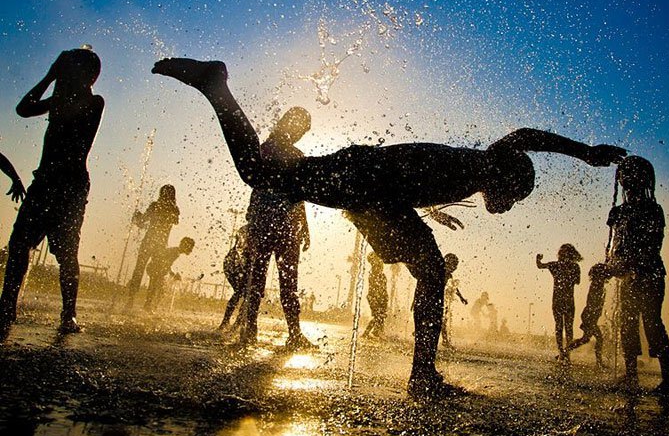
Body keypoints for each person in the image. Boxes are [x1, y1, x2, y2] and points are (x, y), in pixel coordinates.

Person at [151, 57, 625, 396]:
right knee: (260, 173)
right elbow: (527, 136)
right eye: (515, 196)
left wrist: (429, 214)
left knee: (431, 270)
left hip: (377, 190)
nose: (506, 205)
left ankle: (423, 373)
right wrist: (586, 154)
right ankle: (216, 86)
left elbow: (419, 174)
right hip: (365, 181)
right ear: (511, 179)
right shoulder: (491, 161)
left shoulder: (472, 171)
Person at [0, 48, 104, 339]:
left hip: (69, 186)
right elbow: (22, 109)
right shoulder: (60, 99)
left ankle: (68, 312)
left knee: (66, 252)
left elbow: (39, 107)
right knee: (19, 244)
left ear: (87, 75)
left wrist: (55, 75)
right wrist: (49, 75)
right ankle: (7, 305)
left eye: (69, 68)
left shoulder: (93, 101)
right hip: (44, 181)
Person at [237, 107, 314, 350]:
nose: (300, 132)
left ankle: (291, 332)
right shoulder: (267, 149)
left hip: (284, 227)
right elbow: (257, 186)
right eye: (300, 127)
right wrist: (251, 222)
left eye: (303, 130)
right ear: (288, 123)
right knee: (259, 280)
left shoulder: (295, 154)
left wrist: (306, 227)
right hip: (268, 225)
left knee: (285, 284)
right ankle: (252, 329)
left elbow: (298, 196)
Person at [606, 155, 669, 394]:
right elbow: (614, 249)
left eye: (633, 176)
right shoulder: (619, 211)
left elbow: (653, 245)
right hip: (629, 276)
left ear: (645, 180)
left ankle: (668, 378)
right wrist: (610, 267)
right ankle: (631, 373)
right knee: (627, 322)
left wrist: (627, 265)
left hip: (650, 274)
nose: (628, 181)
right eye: (625, 176)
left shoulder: (653, 209)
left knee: (652, 322)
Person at [125, 185, 179, 309]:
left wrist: (136, 217)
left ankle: (130, 301)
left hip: (148, 242)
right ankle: (148, 304)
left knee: (139, 270)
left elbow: (142, 222)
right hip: (161, 246)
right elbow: (174, 221)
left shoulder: (155, 206)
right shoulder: (174, 209)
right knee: (156, 274)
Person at [536, 244, 582, 360]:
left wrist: (538, 260)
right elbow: (540, 266)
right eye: (561, 253)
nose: (562, 255)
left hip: (564, 301)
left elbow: (577, 281)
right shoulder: (561, 266)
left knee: (565, 327)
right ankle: (562, 352)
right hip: (562, 301)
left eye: (564, 253)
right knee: (562, 327)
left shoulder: (567, 266)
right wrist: (538, 259)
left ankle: (565, 353)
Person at [565, 262, 612, 367]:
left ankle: (564, 352)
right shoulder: (596, 285)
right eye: (603, 273)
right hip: (589, 316)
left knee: (585, 339)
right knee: (598, 338)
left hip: (590, 316)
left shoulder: (598, 284)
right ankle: (599, 362)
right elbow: (592, 302)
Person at [143, 237, 195, 312]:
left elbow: (166, 264)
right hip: (155, 268)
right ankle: (149, 307)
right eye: (190, 247)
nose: (191, 250)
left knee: (157, 289)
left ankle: (150, 307)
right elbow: (165, 264)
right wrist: (173, 274)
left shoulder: (176, 251)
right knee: (156, 288)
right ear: (185, 246)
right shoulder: (175, 252)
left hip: (156, 268)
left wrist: (172, 274)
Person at [219, 225, 249, 330]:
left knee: (242, 293)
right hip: (234, 263)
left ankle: (230, 323)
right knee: (243, 293)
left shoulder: (245, 229)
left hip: (232, 262)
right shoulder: (247, 230)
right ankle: (233, 324)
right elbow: (240, 250)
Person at [440, 253, 468, 350]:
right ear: (447, 263)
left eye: (456, 266)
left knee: (444, 319)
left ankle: (445, 340)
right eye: (454, 265)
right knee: (437, 319)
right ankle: (444, 340)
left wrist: (461, 298)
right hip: (434, 297)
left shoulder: (449, 275)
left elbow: (454, 288)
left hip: (441, 299)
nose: (455, 268)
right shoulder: (439, 270)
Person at [363, 251, 389, 339]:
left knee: (380, 316)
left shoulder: (382, 276)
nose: (381, 265)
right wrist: (375, 299)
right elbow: (374, 288)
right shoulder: (373, 275)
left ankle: (377, 332)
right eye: (378, 264)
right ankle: (367, 333)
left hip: (380, 297)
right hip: (374, 297)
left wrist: (385, 298)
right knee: (378, 316)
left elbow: (384, 289)